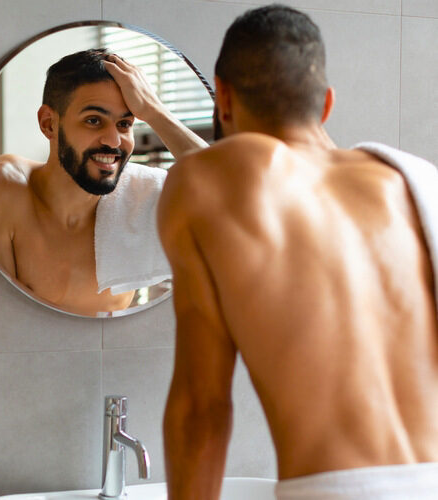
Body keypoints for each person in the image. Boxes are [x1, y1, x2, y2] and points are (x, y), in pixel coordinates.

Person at [158, 5, 438, 499]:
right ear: (326, 103)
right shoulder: (417, 183)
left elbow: (201, 409)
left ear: (222, 96)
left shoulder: (206, 179)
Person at [0, 49, 206, 316]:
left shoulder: (142, 197)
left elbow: (231, 188)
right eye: (94, 120)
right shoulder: (2, 189)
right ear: (48, 124)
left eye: (125, 123)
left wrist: (154, 111)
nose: (114, 141)